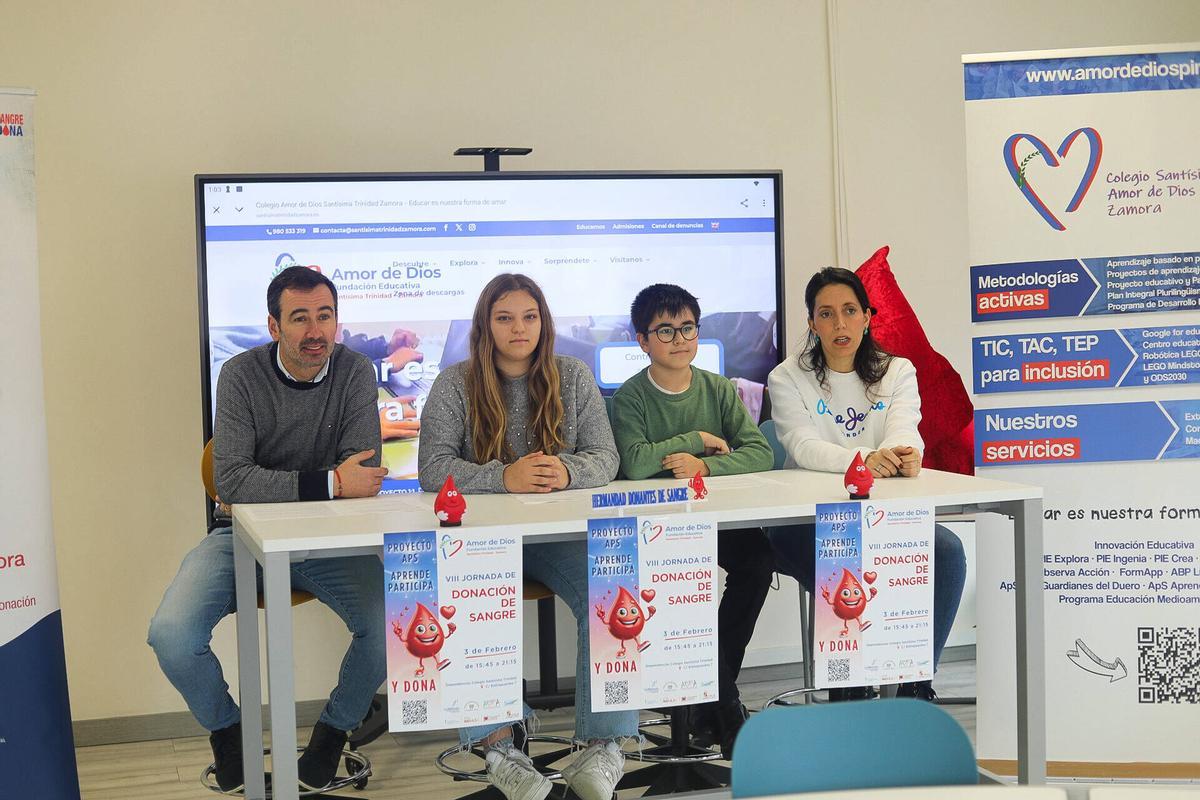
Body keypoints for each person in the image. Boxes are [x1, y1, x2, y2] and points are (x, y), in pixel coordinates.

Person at [148, 266, 389, 792]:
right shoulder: (239, 374)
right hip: (239, 539)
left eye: (324, 316)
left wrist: (323, 484)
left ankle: (331, 734)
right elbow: (232, 480)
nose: (315, 331)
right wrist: (329, 482)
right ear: (274, 326)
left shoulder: (354, 371)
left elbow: (363, 474)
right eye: (299, 318)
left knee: (392, 621)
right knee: (170, 634)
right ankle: (229, 735)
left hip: (326, 543)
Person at [418, 273, 633, 800]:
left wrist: (565, 471)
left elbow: (606, 458)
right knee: (462, 597)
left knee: (613, 589)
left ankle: (603, 748)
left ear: (545, 322)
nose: (519, 329)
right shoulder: (455, 383)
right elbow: (431, 468)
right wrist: (503, 476)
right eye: (505, 317)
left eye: (530, 317)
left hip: (557, 536)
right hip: (482, 542)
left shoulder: (575, 376)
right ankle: (500, 751)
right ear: (485, 326)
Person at [765, 267, 966, 701]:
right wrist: (865, 461)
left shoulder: (897, 371)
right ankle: (851, 690)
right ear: (811, 323)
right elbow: (802, 446)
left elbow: (904, 427)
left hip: (882, 516)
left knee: (946, 550)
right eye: (827, 314)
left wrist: (902, 454)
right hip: (808, 520)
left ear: (868, 316)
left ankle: (914, 683)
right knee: (847, 558)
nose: (840, 324)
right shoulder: (786, 377)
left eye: (850, 311)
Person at [610, 283, 776, 759]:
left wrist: (704, 465)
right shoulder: (631, 397)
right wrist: (698, 438)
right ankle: (724, 706)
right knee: (685, 583)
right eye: (666, 330)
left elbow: (759, 452)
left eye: (687, 328)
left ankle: (713, 695)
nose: (680, 338)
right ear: (642, 340)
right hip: (656, 529)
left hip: (712, 518)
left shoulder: (717, 388)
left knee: (758, 560)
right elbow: (637, 463)